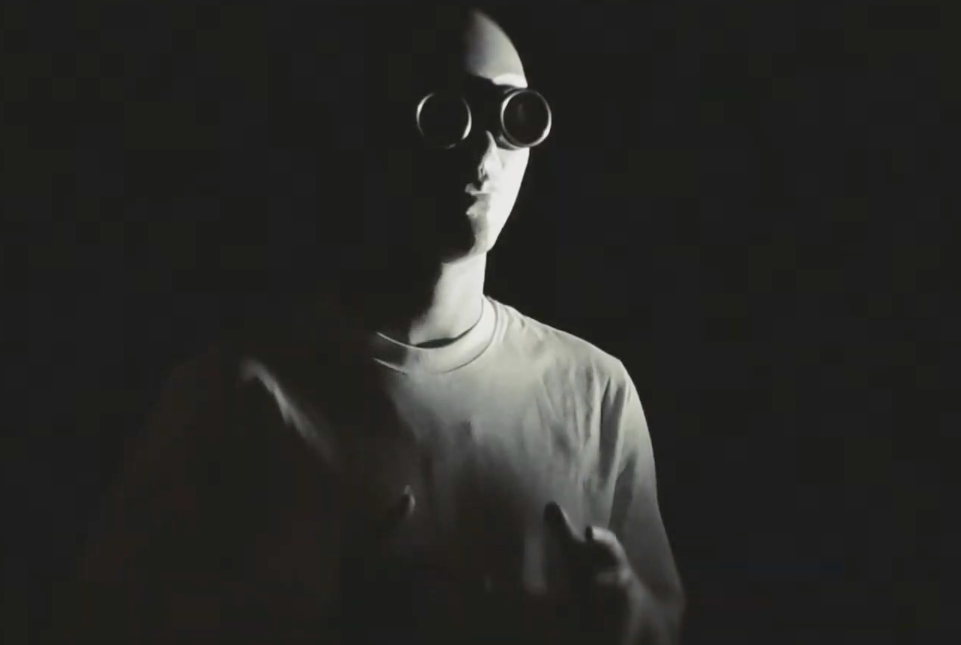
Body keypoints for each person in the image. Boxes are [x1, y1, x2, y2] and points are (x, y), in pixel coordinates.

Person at [51, 5, 685, 644]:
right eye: (448, 117)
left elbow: (665, 621)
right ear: (374, 133)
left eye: (512, 119)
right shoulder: (238, 399)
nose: (484, 152)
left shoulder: (593, 393)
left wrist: (627, 614)